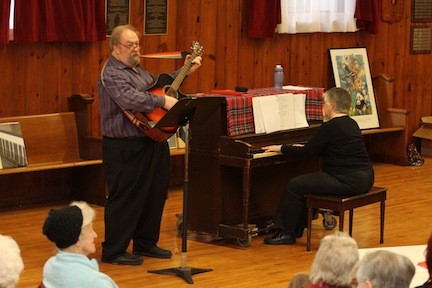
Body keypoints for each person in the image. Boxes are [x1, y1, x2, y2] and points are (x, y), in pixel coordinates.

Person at [97, 24, 202, 265]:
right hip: (124, 146)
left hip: (151, 140)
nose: (135, 48)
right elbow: (130, 98)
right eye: (130, 44)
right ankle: (114, 250)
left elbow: (160, 89)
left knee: (154, 194)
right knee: (126, 198)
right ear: (115, 48)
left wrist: (186, 71)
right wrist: (162, 100)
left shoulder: (137, 70)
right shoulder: (112, 73)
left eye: (137, 44)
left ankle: (145, 243)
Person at [263, 87, 374, 245]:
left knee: (295, 185)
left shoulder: (330, 126)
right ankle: (296, 228)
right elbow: (334, 149)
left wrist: (281, 148)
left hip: (345, 181)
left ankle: (286, 232)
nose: (322, 107)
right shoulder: (351, 123)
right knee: (305, 185)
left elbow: (309, 152)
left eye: (323, 103)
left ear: (332, 105)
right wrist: (300, 147)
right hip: (365, 178)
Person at [42, 201, 118, 288]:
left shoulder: (50, 265)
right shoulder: (96, 282)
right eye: (90, 230)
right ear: (77, 239)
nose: (95, 235)